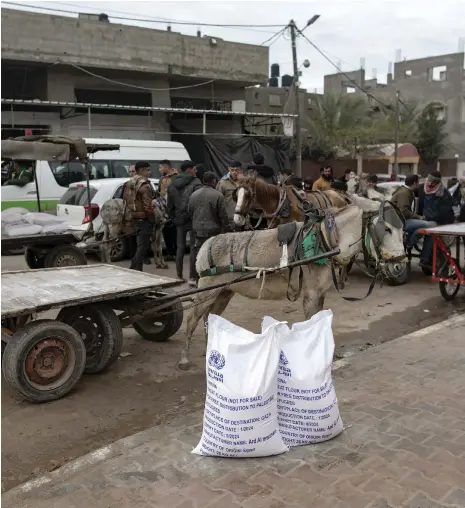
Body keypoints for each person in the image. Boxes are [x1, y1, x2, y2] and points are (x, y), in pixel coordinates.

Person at [189, 171, 234, 280]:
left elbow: (190, 211)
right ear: (214, 181)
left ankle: (194, 277)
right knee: (213, 254)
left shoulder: (194, 195)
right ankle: (211, 277)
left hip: (197, 230)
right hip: (213, 231)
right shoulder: (218, 195)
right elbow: (223, 216)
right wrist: (228, 229)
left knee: (197, 253)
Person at [167, 160, 202, 284]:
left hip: (178, 220)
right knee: (194, 247)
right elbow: (199, 203)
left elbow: (169, 207)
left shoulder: (171, 184)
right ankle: (193, 277)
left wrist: (174, 218)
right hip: (193, 219)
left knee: (180, 248)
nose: (196, 171)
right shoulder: (196, 183)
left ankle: (179, 275)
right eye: (194, 169)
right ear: (189, 170)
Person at [123, 161, 155, 271]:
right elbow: (148, 206)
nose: (149, 172)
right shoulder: (144, 185)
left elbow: (126, 201)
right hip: (143, 218)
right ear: (141, 170)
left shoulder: (129, 183)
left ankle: (136, 268)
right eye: (148, 170)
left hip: (133, 217)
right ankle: (135, 269)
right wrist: (152, 218)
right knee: (143, 247)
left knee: (139, 245)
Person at [418, 171, 454, 268]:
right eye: (429, 180)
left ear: (437, 183)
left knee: (440, 243)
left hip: (441, 223)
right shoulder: (422, 188)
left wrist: (429, 219)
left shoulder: (444, 194)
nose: (429, 183)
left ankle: (440, 265)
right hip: (423, 220)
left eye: (432, 182)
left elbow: (444, 213)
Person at [391, 174, 431, 249]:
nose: (419, 184)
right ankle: (410, 242)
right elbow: (403, 211)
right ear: (414, 183)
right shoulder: (404, 193)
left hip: (401, 220)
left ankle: (409, 240)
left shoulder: (406, 191)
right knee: (428, 225)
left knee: (422, 224)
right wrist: (418, 217)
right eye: (418, 182)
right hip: (399, 222)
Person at [159, 160, 178, 261]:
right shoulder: (162, 179)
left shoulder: (176, 178)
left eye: (161, 167)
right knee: (165, 231)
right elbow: (159, 193)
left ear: (167, 167)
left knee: (174, 232)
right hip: (163, 211)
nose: (160, 170)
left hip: (174, 210)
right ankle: (169, 252)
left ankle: (175, 253)